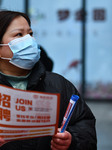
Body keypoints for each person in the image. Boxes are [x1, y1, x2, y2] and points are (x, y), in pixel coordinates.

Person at [0, 10, 97, 150]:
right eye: (19, 34)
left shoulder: (58, 85)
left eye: (30, 33)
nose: (29, 40)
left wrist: (72, 140)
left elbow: (85, 125)